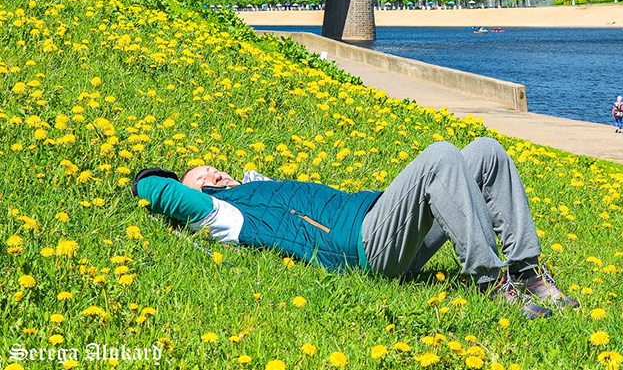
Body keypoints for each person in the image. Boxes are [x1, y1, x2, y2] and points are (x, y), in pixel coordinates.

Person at [132, 137, 577, 320]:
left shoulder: (255, 186)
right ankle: (490, 282)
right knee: (441, 155)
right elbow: (154, 188)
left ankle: (527, 273)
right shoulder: (225, 215)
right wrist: (159, 180)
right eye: (199, 179)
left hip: (387, 223)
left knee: (486, 151)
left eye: (212, 169)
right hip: (364, 246)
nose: (211, 176)